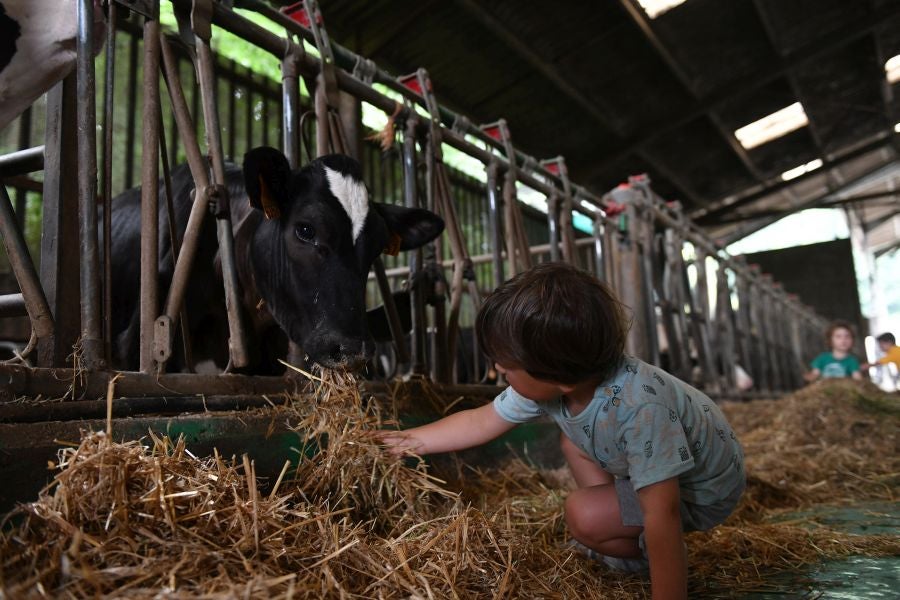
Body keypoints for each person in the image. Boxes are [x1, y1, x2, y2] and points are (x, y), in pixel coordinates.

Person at [378, 262, 745, 600]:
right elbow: (480, 420)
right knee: (573, 443)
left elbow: (664, 514)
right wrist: (408, 441)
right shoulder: (564, 379)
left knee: (582, 515)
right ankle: (622, 528)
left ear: (559, 378)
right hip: (662, 469)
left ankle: (633, 552)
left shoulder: (639, 410)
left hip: (702, 489)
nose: (500, 370)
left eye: (508, 367)